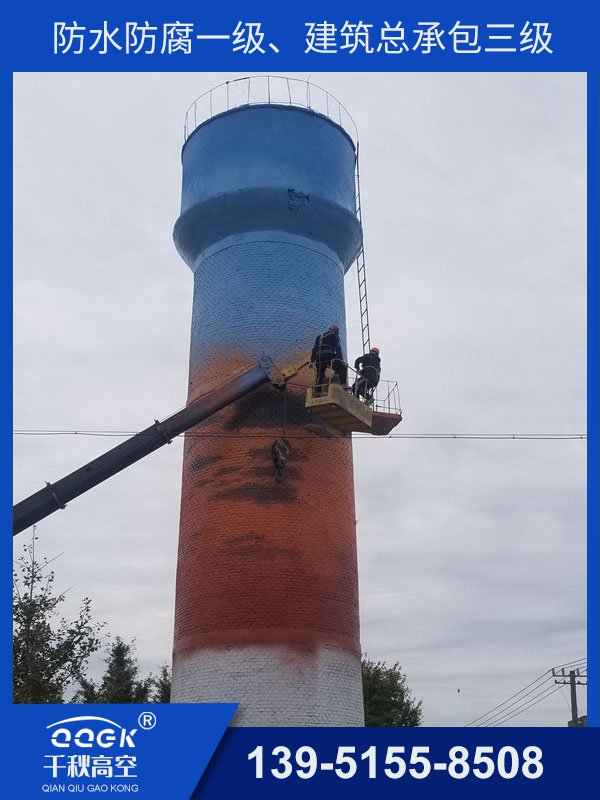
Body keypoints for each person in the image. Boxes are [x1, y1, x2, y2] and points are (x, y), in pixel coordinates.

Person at [311, 324, 348, 389]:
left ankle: (318, 389)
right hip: (328, 355)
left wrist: (312, 361)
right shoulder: (334, 336)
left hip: (318, 358)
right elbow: (338, 348)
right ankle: (343, 383)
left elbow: (314, 349)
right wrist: (340, 359)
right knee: (342, 367)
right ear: (336, 331)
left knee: (320, 373)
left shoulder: (319, 336)